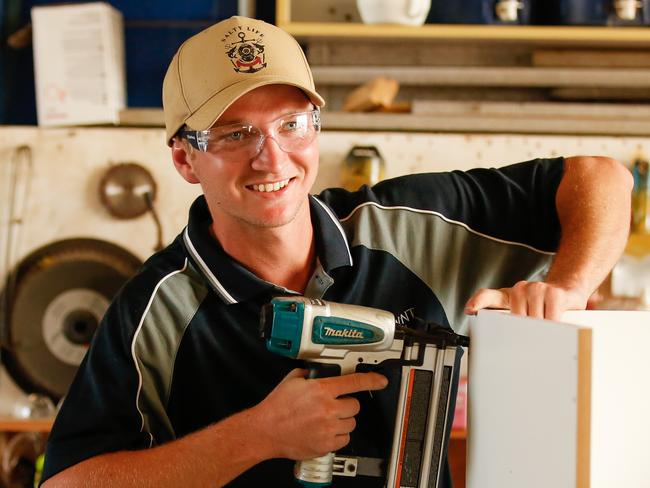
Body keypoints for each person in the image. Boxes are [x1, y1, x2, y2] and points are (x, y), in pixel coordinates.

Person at [41, 16, 632, 488]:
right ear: (184, 159)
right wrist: (256, 436)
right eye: (235, 133)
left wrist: (569, 286)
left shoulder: (409, 225)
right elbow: (68, 482)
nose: (272, 158)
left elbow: (603, 179)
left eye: (292, 123)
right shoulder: (155, 310)